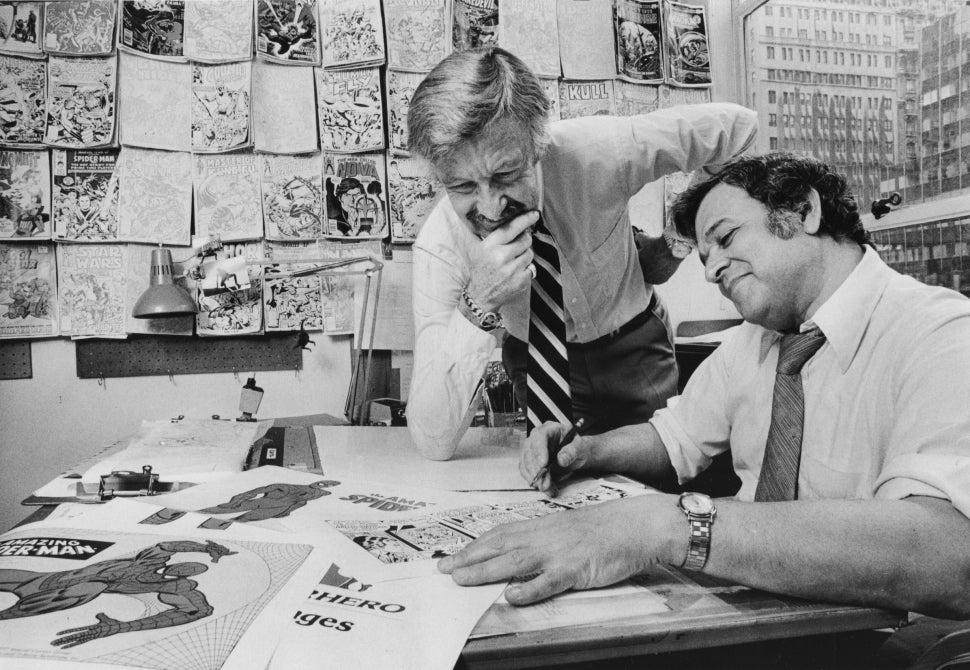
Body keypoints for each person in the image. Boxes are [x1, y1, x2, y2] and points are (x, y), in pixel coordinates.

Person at [438, 153, 970, 619]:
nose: (713, 270)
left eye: (726, 238)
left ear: (804, 210)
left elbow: (949, 554)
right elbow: (674, 440)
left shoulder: (942, 334)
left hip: (879, 637)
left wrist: (669, 526)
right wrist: (586, 451)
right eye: (703, 255)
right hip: (749, 616)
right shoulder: (754, 341)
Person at [405, 46, 757, 460]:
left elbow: (738, 128)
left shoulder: (600, 150)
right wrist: (478, 303)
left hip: (635, 349)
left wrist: (677, 238)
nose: (490, 209)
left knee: (659, 472)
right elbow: (433, 441)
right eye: (463, 187)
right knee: (554, 472)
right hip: (534, 362)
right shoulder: (440, 246)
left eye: (506, 174)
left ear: (538, 143)